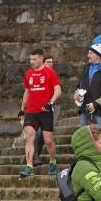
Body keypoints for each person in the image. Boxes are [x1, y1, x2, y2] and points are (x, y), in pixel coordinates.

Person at [19, 48, 61, 178]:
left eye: (34, 59)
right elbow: (27, 91)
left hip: (45, 110)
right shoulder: (28, 74)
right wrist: (22, 108)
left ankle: (53, 162)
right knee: (29, 137)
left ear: (41, 59)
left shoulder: (49, 72)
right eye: (30, 59)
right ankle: (29, 166)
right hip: (31, 111)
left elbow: (58, 90)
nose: (31, 62)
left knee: (48, 141)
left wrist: (51, 102)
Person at [75, 43, 101, 129]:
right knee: (83, 138)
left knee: (100, 138)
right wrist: (77, 93)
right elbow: (79, 85)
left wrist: (95, 104)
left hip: (100, 111)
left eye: (91, 53)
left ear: (98, 56)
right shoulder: (85, 69)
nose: (88, 55)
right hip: (84, 109)